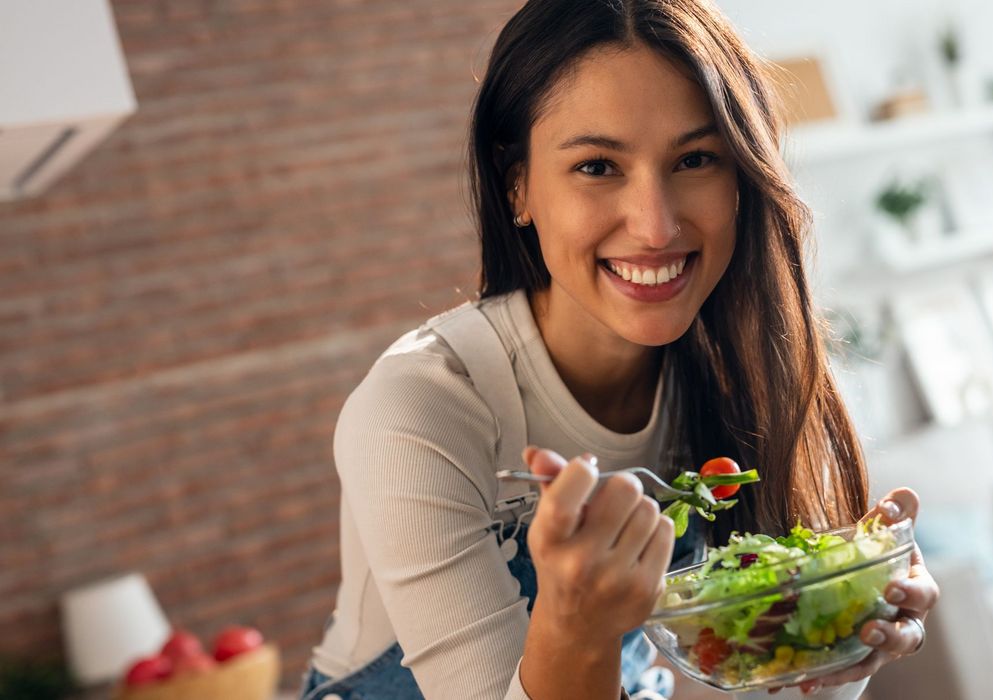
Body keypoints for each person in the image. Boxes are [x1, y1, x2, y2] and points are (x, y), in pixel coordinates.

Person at [300, 1, 939, 698]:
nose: (655, 226)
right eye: (598, 166)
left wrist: (842, 626)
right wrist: (573, 625)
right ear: (518, 185)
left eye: (694, 159)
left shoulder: (743, 377)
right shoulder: (418, 407)